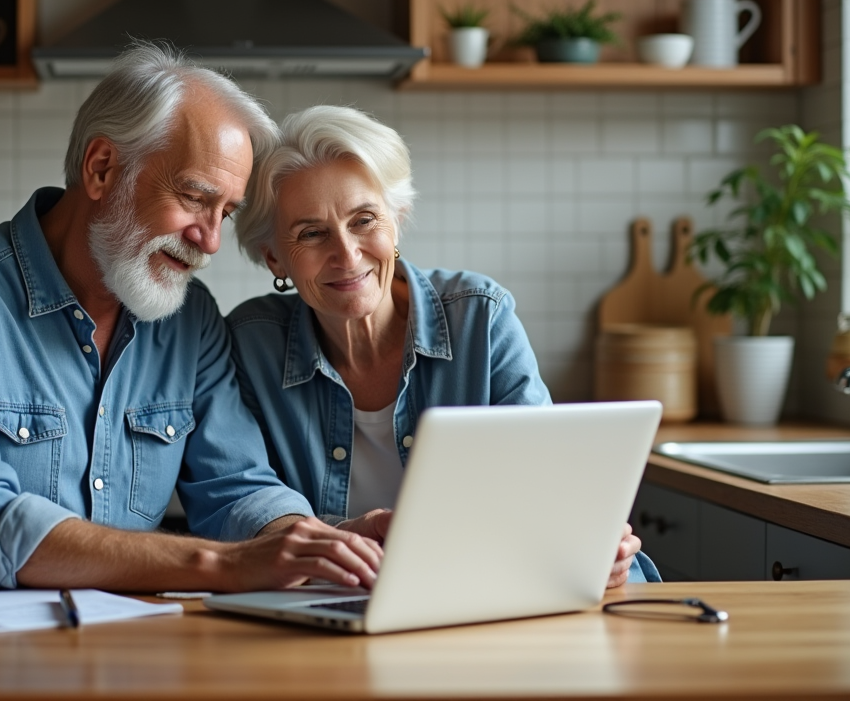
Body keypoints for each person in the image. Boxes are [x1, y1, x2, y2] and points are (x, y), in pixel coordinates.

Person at [0, 45, 383, 591]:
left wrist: (314, 541)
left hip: (111, 651)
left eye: (226, 213)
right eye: (193, 198)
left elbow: (236, 488)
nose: (209, 241)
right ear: (101, 168)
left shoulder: (192, 323)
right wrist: (225, 565)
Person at [227, 105, 660, 587]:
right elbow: (240, 493)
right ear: (274, 258)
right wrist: (333, 540)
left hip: (491, 590)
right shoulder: (250, 344)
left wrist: (592, 546)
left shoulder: (480, 316)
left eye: (364, 220)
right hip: (325, 603)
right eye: (312, 233)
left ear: (397, 223)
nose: (347, 254)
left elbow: (545, 481)